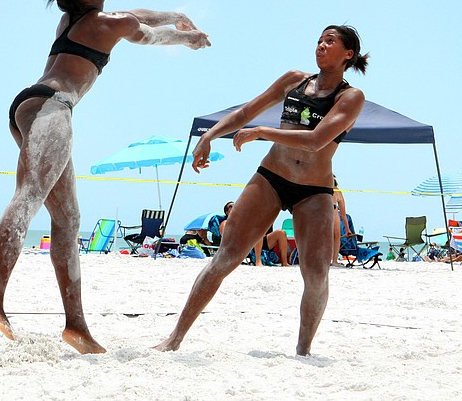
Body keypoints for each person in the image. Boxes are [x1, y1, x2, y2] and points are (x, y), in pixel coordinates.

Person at [0, 0, 211, 354]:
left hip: (32, 104)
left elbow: (136, 16)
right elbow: (147, 33)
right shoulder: (106, 24)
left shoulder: (74, 18)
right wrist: (188, 37)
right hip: (54, 108)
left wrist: (177, 15)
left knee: (68, 220)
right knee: (28, 197)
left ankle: (77, 327)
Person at [154, 25, 368, 356]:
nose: (321, 46)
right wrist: (209, 136)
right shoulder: (294, 80)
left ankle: (303, 350)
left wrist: (263, 132)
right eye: (319, 40)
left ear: (348, 54)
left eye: (330, 42)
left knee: (316, 273)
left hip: (314, 189)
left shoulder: (350, 97)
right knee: (225, 258)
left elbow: (316, 140)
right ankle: (174, 338)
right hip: (272, 176)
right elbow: (245, 112)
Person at [331, 176, 353, 267]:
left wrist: (348, 229)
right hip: (329, 210)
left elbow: (344, 214)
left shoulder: (337, 192)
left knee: (336, 236)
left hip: (332, 210)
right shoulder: (334, 191)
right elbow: (343, 214)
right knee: (333, 236)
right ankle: (332, 260)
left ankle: (334, 260)